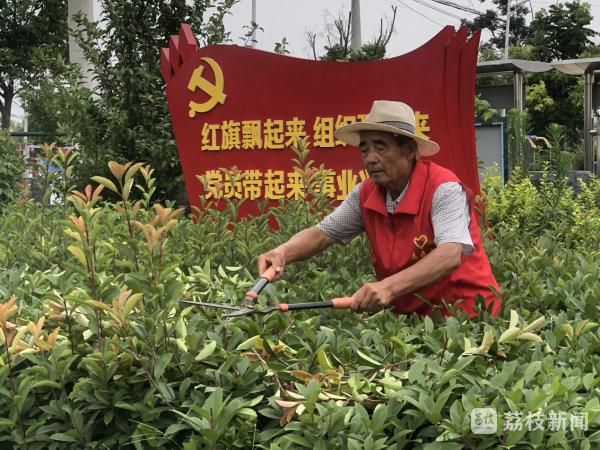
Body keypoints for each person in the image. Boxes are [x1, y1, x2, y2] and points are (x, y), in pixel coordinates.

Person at [258, 100, 501, 317]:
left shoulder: (443, 188)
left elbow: (450, 254)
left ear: (409, 150)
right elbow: (322, 234)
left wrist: (387, 287)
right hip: (411, 320)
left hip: (466, 317)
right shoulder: (364, 195)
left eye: (380, 147)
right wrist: (282, 252)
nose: (370, 159)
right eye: (364, 150)